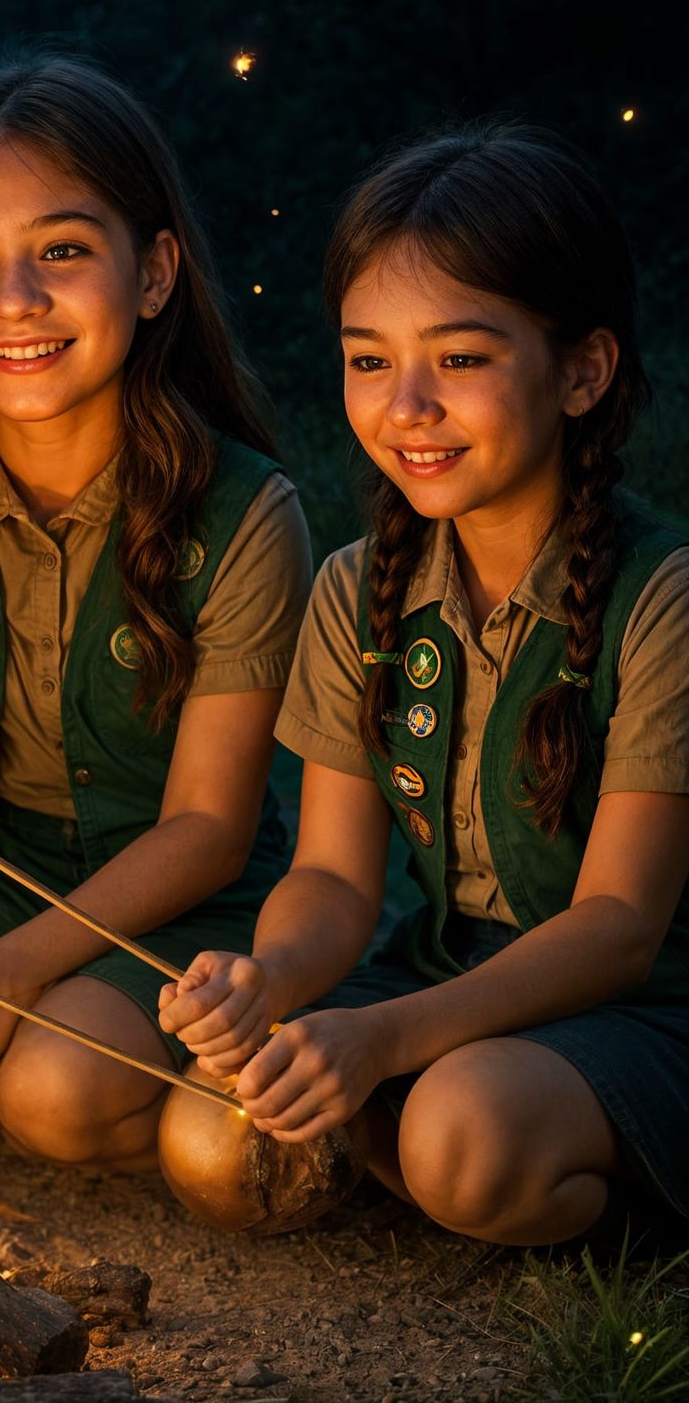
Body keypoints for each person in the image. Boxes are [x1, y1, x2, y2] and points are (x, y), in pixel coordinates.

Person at [157, 122, 689, 1244]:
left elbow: (619, 926)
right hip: (442, 973)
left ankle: (575, 1173)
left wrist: (387, 1041)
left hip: (641, 1003)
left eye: (458, 358)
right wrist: (268, 978)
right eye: (367, 359)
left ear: (582, 370)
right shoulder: (361, 591)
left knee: (460, 1134)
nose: (406, 406)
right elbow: (337, 879)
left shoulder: (662, 596)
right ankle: (423, 1131)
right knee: (209, 1134)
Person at [0, 55, 312, 1171]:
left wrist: (5, 976)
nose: (16, 299)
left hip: (188, 903)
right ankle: (45, 1022)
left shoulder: (244, 510)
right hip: (0, 882)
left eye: (64, 251)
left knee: (51, 1090)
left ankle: (228, 1076)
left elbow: (209, 830)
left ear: (154, 270)